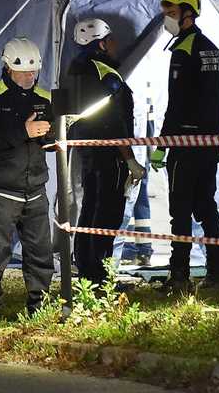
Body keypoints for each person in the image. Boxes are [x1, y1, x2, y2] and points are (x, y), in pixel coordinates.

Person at [0, 37, 55, 322]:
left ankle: (39, 305)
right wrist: (24, 131)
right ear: (7, 68)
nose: (30, 77)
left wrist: (53, 139)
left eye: (34, 71)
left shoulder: (45, 98)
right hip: (0, 189)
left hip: (35, 187)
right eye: (23, 72)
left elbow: (53, 137)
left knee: (41, 250)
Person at [154, 0, 219, 292]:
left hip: (185, 143)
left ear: (188, 13)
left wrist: (162, 144)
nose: (167, 19)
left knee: (180, 210)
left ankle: (180, 276)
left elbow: (178, 102)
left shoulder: (185, 50)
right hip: (209, 143)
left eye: (171, 13)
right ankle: (216, 273)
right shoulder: (211, 48)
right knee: (205, 205)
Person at [67, 18, 145, 284]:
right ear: (100, 43)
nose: (116, 45)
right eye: (111, 40)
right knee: (108, 214)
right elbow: (116, 123)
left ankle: (87, 271)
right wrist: (130, 160)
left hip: (85, 153)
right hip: (110, 156)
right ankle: (101, 276)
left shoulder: (73, 72)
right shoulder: (107, 75)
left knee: (89, 209)